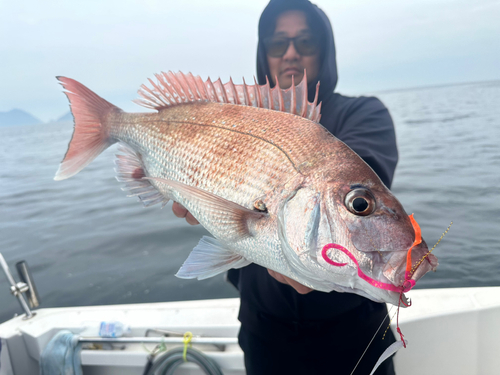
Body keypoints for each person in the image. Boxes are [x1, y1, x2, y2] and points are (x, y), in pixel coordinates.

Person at [173, 0, 399, 373]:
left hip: (355, 333)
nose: (291, 53)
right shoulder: (238, 120)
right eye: (278, 44)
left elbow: (358, 187)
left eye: (306, 42)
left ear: (325, 51)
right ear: (264, 54)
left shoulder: (363, 113)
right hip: (265, 334)